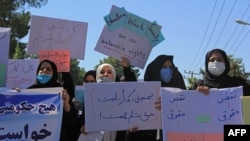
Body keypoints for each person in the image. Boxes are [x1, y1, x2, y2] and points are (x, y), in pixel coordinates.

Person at [128, 54, 186, 141]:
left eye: (170, 67)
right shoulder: (143, 94)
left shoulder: (180, 90)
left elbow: (188, 110)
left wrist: (170, 104)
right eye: (164, 67)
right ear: (155, 69)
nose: (168, 70)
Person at [27, 59, 81, 141]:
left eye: (48, 69)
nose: (44, 70)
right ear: (37, 72)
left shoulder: (61, 92)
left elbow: (72, 120)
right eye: (42, 69)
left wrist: (66, 104)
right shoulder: (29, 91)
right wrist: (15, 95)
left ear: (54, 74)